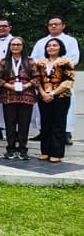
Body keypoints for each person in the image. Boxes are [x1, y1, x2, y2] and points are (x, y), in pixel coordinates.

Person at [30, 16, 79, 145]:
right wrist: (44, 67)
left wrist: (57, 66)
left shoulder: (71, 41)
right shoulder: (41, 42)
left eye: (56, 24)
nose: (53, 26)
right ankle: (43, 132)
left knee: (62, 114)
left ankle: (66, 133)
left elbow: (74, 58)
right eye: (51, 24)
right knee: (45, 113)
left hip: (61, 83)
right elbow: (34, 58)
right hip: (44, 82)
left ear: (63, 26)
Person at [0, 37, 39, 160]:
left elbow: (37, 78)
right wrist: (10, 86)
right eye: (13, 44)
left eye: (18, 44)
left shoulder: (30, 61)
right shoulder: (4, 61)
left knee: (24, 124)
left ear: (23, 46)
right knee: (10, 124)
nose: (15, 47)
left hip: (26, 96)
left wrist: (27, 85)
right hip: (8, 96)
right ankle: (10, 149)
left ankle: (23, 149)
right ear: (9, 47)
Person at [36, 38, 75, 163]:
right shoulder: (41, 63)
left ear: (60, 47)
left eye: (55, 45)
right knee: (45, 124)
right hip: (43, 97)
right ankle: (45, 151)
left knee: (58, 125)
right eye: (49, 45)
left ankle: (56, 152)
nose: (51, 47)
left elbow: (68, 81)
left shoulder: (65, 62)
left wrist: (53, 93)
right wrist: (43, 93)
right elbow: (37, 80)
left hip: (61, 97)